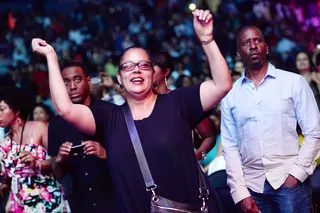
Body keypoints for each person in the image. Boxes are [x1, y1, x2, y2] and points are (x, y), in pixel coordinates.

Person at [32, 9, 232, 213]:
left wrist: (207, 39)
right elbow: (65, 109)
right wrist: (51, 56)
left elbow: (222, 85)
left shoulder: (177, 102)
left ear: (153, 74)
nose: (136, 69)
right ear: (119, 78)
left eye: (143, 65)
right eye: (128, 66)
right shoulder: (110, 118)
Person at [221, 26, 320, 213]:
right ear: (238, 52)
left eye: (258, 41)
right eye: (245, 43)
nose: (252, 46)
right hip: (252, 186)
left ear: (266, 47)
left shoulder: (293, 82)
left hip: (289, 181)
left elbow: (314, 132)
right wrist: (240, 192)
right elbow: (230, 146)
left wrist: (296, 174)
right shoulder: (231, 95)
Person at [47, 61, 117, 213]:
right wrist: (60, 160)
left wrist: (106, 154)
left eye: (77, 79)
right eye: (66, 82)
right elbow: (59, 175)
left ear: (89, 81)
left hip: (115, 200)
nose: (72, 87)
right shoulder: (56, 124)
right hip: (80, 202)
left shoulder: (111, 112)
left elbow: (132, 158)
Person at [0, 86, 70, 213]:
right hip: (18, 203)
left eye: (1, 109)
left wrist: (37, 163)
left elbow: (58, 160)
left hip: (46, 199)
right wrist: (4, 184)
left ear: (16, 111)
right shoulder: (5, 142)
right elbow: (9, 177)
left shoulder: (39, 128)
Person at [152, 52, 216, 161]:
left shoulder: (182, 100)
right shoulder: (140, 104)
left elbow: (209, 136)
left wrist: (196, 156)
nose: (145, 71)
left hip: (183, 171)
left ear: (166, 72)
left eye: (151, 67)